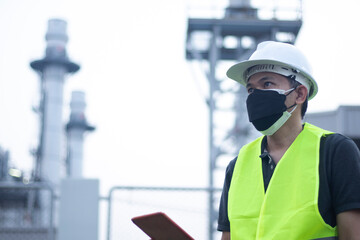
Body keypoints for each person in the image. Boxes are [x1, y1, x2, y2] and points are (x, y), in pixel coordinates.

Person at [217, 41, 360, 240]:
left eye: (267, 84)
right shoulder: (237, 166)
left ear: (300, 93)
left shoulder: (335, 152)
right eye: (250, 89)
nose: (255, 95)